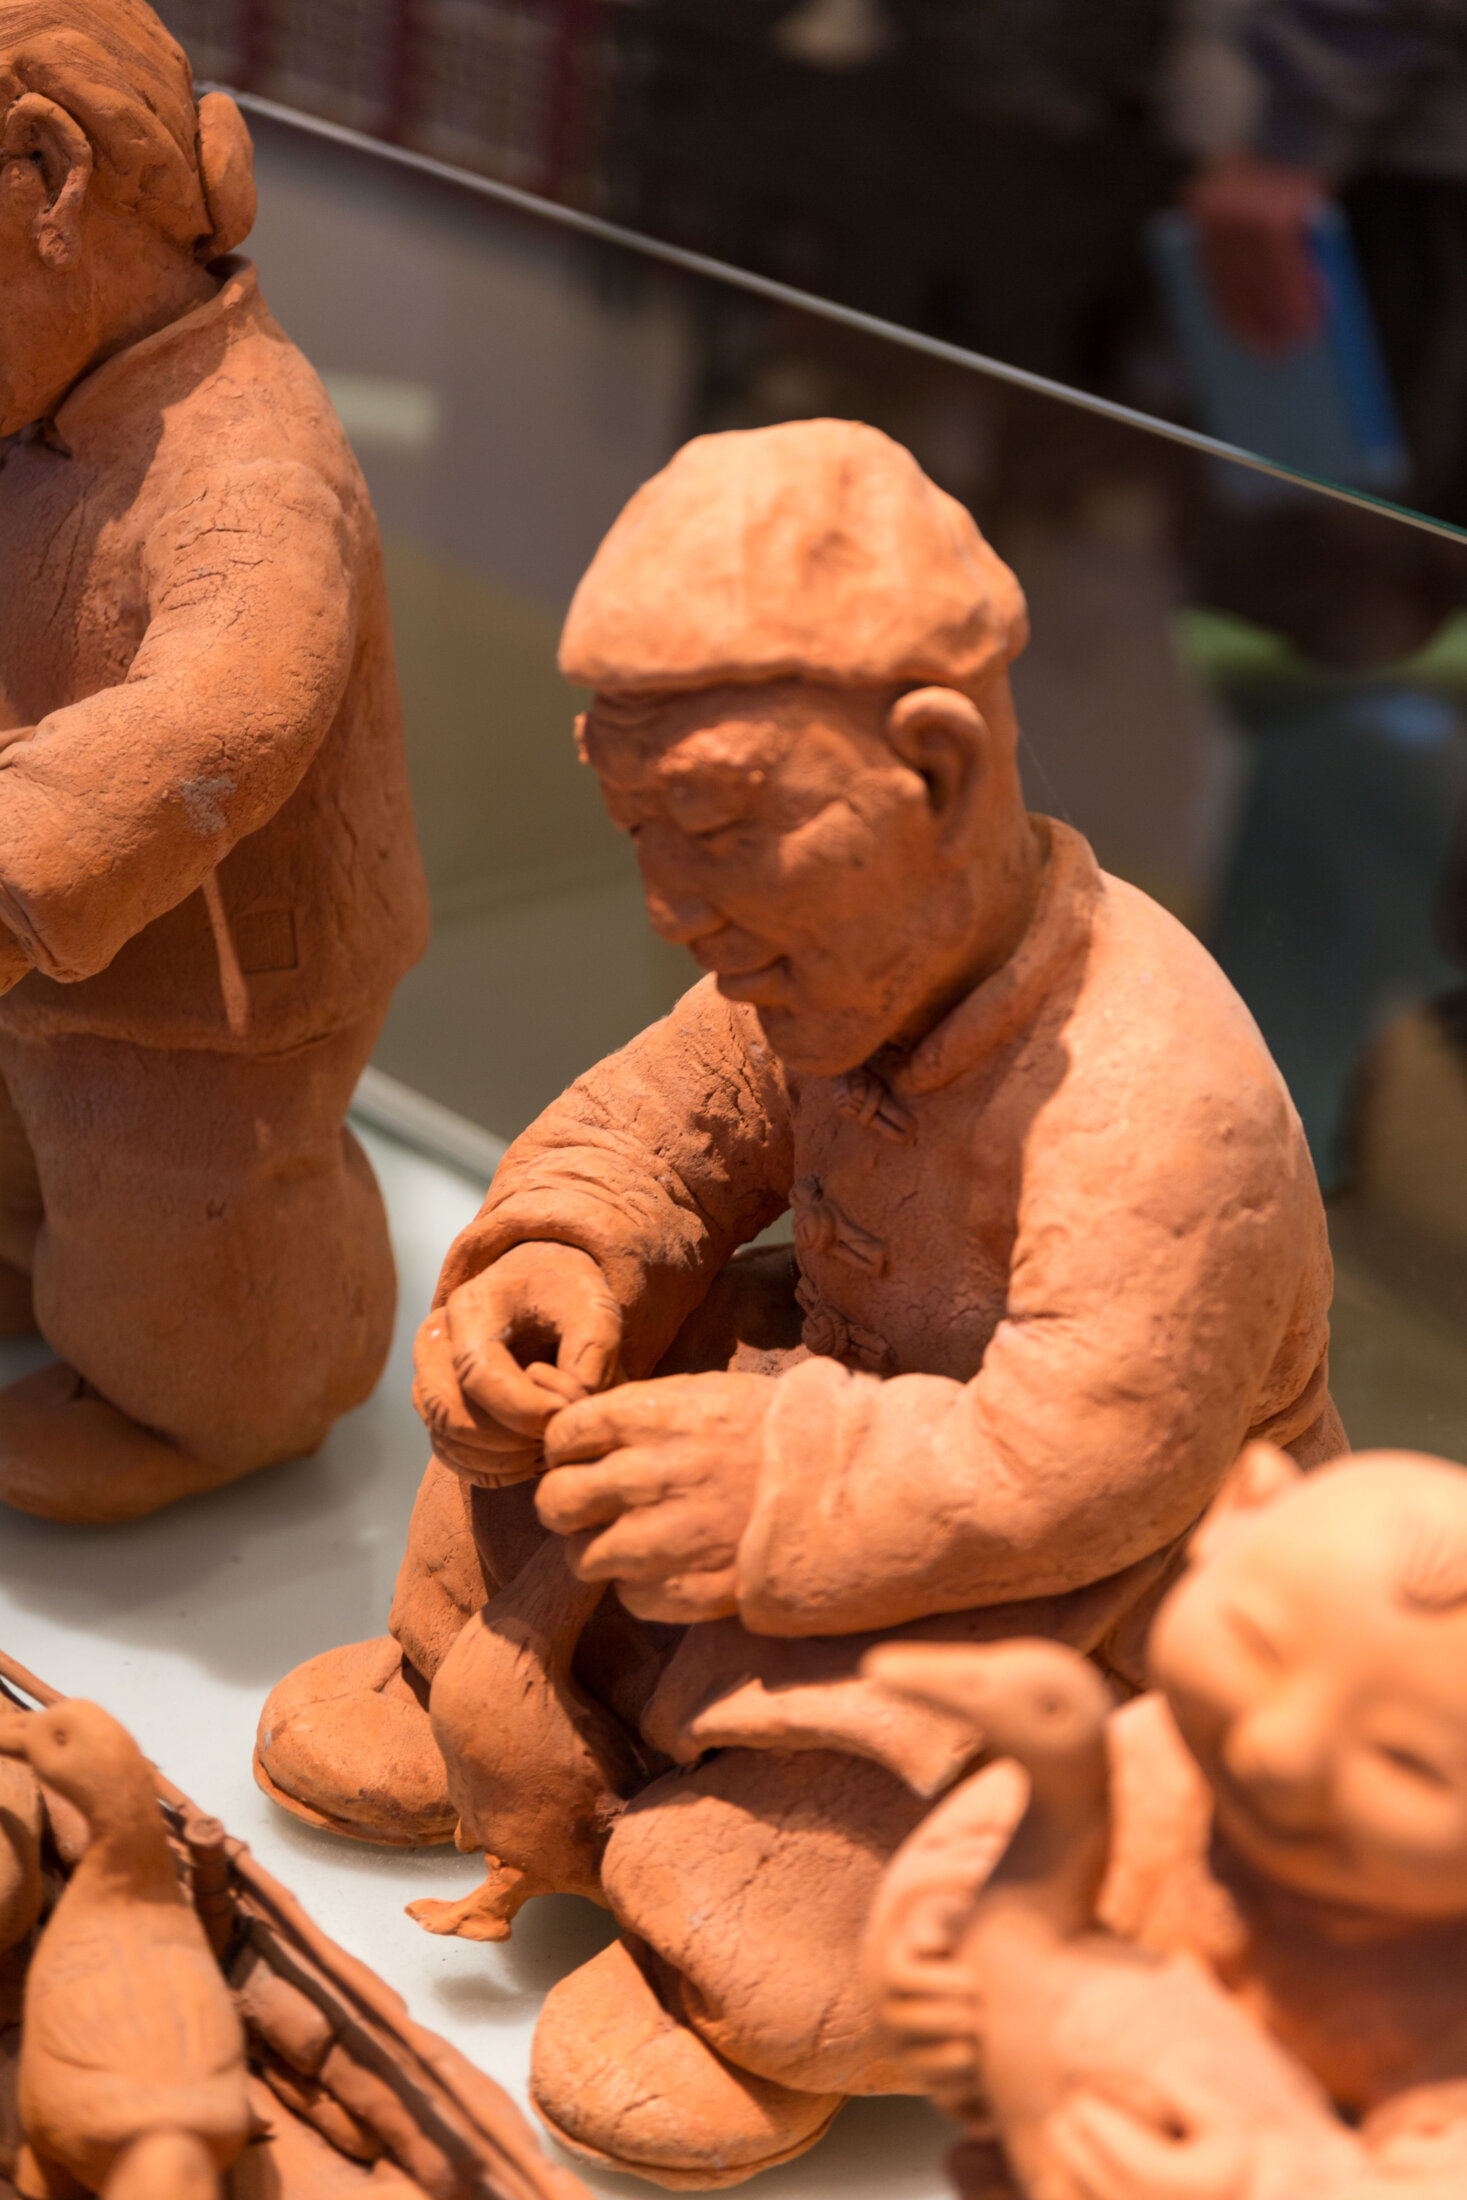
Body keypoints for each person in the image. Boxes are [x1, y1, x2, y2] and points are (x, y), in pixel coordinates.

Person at [259, 419, 1342, 2185]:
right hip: (812, 1437)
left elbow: (1092, 1454)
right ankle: (506, 1701)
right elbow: (657, 1127)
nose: (675, 908)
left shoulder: (1151, 1087)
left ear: (937, 766)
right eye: (640, 834)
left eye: (717, 829)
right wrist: (564, 1252)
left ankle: (727, 1920)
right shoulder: (821, 979)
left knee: (823, 1894)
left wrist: (787, 1485)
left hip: (1065, 1572)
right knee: (539, 1458)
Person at [0, 0, 429, 1524]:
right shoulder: (46, 409)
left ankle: (239, 1391)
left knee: (175, 1222)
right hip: (51, 957)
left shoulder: (248, 460)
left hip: (215, 994)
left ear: (51, 181)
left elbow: (219, 717)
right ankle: (39, 1265)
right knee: (30, 1160)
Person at [870, 1444, 1467, 2199]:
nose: (1280, 1752)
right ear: (1236, 1513)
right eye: (1257, 1647)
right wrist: (932, 1940)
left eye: (1407, 1763)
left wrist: (1284, 2180)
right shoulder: (1155, 1763)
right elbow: (974, 1858)